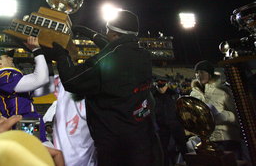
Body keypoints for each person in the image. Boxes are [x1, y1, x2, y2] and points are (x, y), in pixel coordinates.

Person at [46, 9, 162, 166]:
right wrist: (90, 34)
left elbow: (72, 80)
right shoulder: (143, 54)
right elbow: (115, 47)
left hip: (114, 141)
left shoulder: (107, 60)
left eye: (108, 30)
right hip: (141, 134)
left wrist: (61, 55)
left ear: (114, 34)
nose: (106, 33)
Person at [0, 36, 51, 143]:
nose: (11, 58)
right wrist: (37, 51)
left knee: (45, 153)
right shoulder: (1, 75)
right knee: (35, 154)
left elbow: (45, 88)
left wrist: (47, 59)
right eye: (7, 56)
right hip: (24, 121)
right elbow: (40, 79)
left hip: (27, 120)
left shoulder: (11, 78)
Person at [190, 60, 242, 158]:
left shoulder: (223, 91)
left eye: (201, 72)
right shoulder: (193, 94)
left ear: (209, 74)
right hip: (207, 140)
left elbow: (238, 116)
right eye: (196, 73)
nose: (198, 75)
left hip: (227, 138)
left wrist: (223, 116)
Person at [43, 74, 97, 166]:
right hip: (64, 154)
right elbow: (46, 121)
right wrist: (49, 126)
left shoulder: (91, 104)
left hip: (85, 154)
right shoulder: (58, 104)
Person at [152, 76, 188, 166]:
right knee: (164, 150)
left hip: (176, 125)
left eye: (163, 85)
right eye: (158, 86)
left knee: (183, 147)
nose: (161, 88)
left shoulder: (174, 95)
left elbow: (181, 110)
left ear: (167, 84)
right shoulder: (152, 97)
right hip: (162, 127)